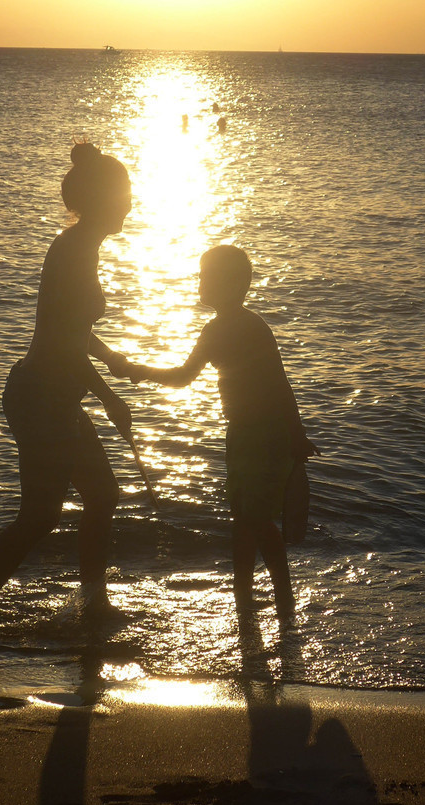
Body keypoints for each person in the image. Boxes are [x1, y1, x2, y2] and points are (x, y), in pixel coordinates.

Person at [0, 141, 133, 651]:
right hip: (40, 397)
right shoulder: (74, 250)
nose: (130, 205)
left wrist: (109, 358)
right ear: (101, 200)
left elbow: (72, 329)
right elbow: (58, 341)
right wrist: (110, 396)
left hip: (57, 397)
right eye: (124, 196)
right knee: (41, 515)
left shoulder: (84, 246)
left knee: (103, 495)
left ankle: (93, 602)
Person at [127, 245, 316, 620]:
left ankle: (282, 603)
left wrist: (139, 371)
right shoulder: (252, 324)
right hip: (250, 434)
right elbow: (282, 385)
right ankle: (249, 600)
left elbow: (183, 377)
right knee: (246, 520)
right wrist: (297, 433)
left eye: (205, 276)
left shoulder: (224, 329)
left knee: (255, 522)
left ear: (228, 284)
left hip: (260, 437)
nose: (200, 283)